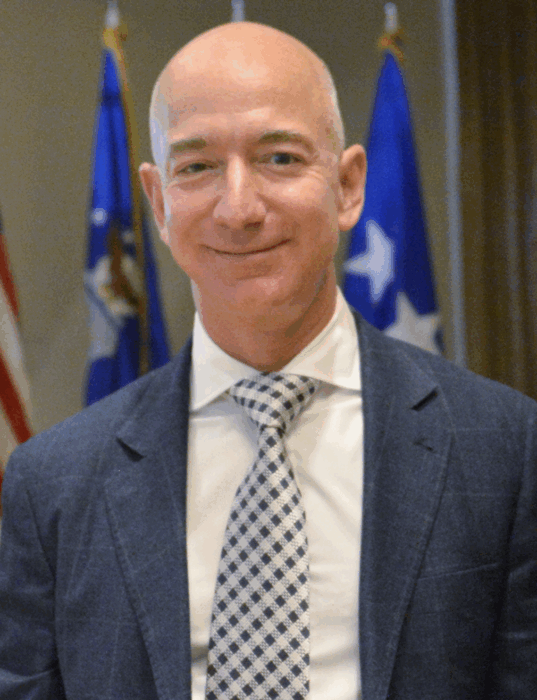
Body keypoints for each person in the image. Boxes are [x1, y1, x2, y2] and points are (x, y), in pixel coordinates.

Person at [0, 21, 536, 700]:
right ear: (158, 203)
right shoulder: (52, 484)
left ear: (348, 186)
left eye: (279, 158)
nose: (238, 208)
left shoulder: (504, 451)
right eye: (196, 167)